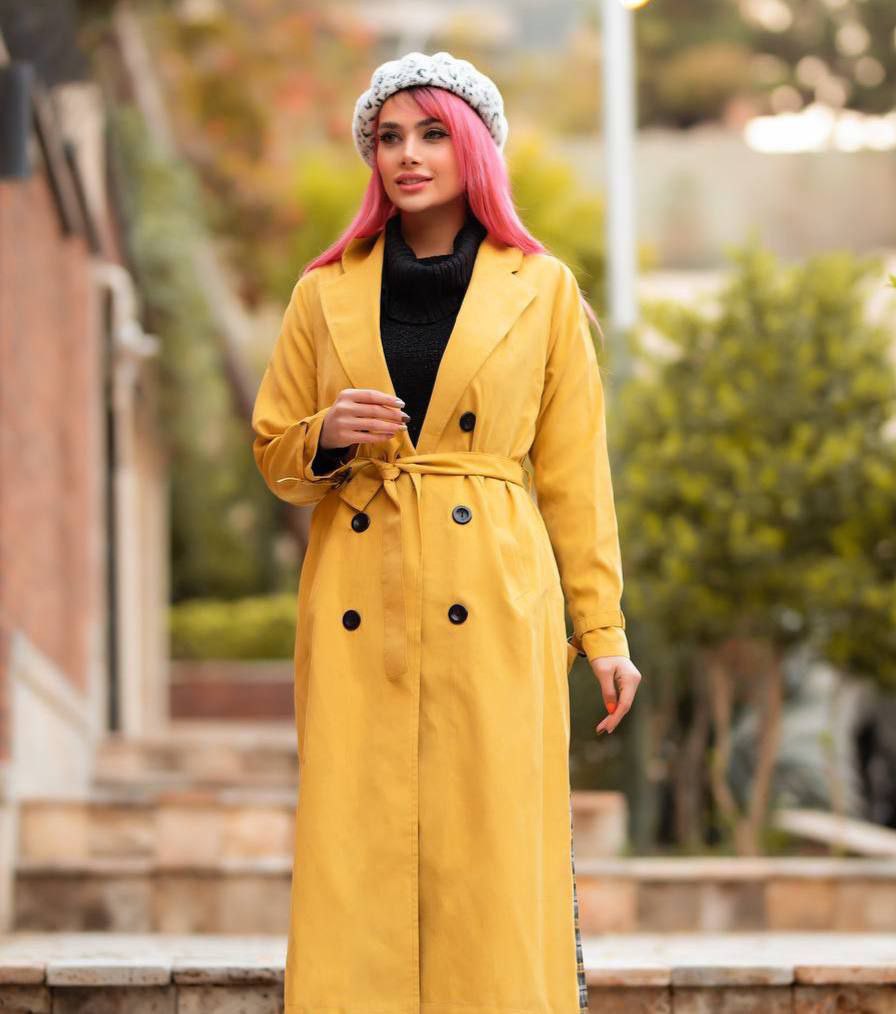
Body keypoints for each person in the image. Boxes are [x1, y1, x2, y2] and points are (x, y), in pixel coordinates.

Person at [251, 49, 643, 1014]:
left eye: (432, 134)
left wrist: (602, 630)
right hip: (361, 593)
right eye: (389, 137)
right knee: (355, 836)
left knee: (493, 841)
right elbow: (274, 453)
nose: (408, 155)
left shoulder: (542, 288)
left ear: (475, 147)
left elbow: (574, 475)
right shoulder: (323, 290)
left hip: (495, 589)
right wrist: (327, 435)